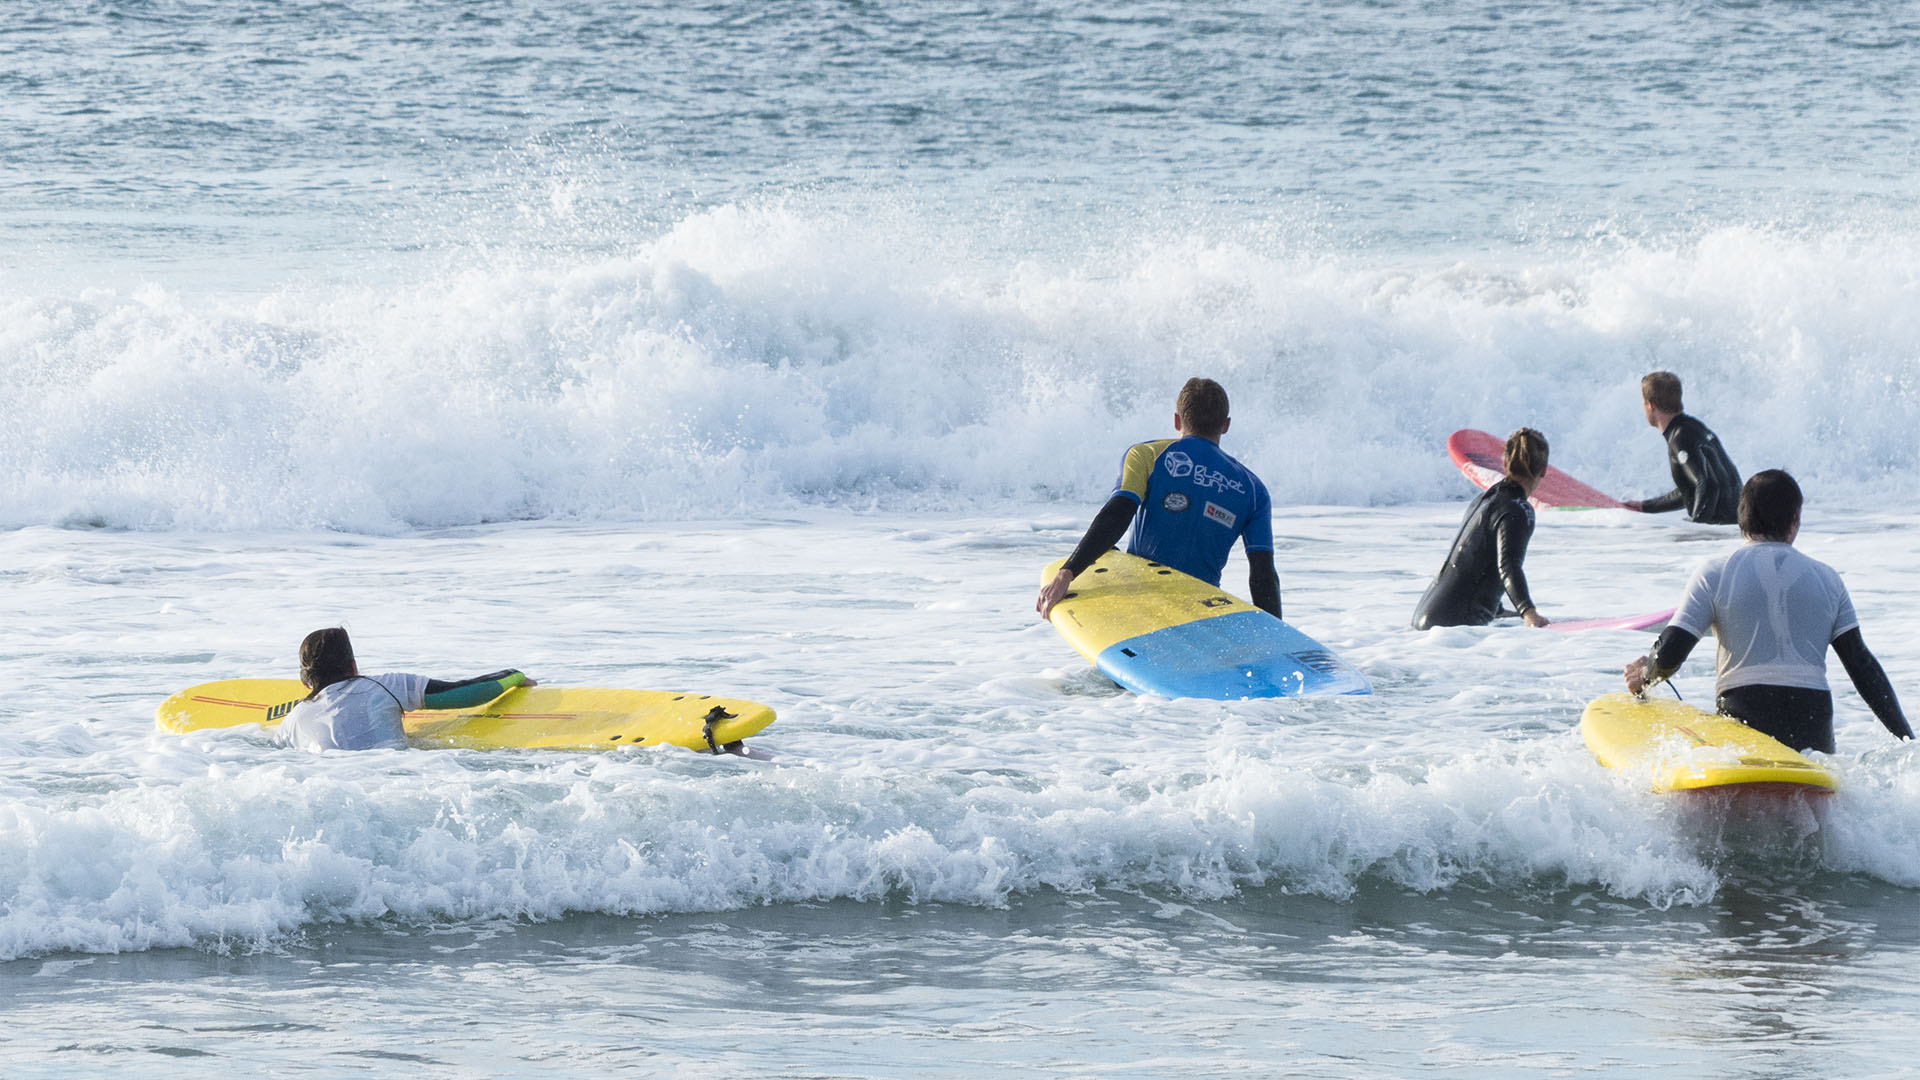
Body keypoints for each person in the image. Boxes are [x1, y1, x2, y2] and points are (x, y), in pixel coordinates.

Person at [1623, 470, 1911, 754]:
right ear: (1794, 521)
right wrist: (1907, 740)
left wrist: (1645, 675)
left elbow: (1671, 653)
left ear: (1741, 517)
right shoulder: (1829, 579)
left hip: (1746, 716)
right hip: (1813, 725)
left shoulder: (1714, 573)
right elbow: (1863, 667)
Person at [1036, 377, 1278, 619]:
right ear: (1225, 425)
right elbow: (1262, 575)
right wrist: (1276, 638)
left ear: (1177, 420)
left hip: (1140, 602)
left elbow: (1118, 514)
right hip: (1199, 611)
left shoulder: (1148, 455)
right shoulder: (1254, 489)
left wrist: (1066, 574)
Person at [277, 627, 536, 752]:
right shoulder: (384, 686)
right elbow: (462, 694)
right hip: (395, 772)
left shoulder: (293, 720)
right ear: (353, 666)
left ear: (305, 682)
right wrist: (513, 675)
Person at [1412, 428, 1552, 629]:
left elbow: (1473, 559)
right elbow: (1509, 565)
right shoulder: (1518, 509)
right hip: (1454, 625)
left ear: (1504, 463)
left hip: (1427, 617)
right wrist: (1529, 613)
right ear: (1544, 470)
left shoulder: (1483, 500)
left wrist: (1496, 608)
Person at [1622, 371, 1740, 524]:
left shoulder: (1680, 438)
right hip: (1732, 525)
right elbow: (1691, 489)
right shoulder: (1694, 428)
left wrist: (1697, 529)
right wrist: (1644, 507)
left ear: (1651, 405)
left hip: (1719, 528)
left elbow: (1709, 485)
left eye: (1643, 403)